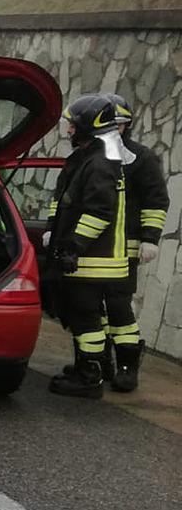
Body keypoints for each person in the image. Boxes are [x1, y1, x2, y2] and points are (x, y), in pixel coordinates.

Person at [44, 93, 130, 399]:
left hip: (92, 261)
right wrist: (53, 232)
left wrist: (74, 246)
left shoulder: (99, 163)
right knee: (81, 316)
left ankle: (89, 376)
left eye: (72, 125)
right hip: (83, 258)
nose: (68, 130)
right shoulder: (88, 158)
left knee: (85, 318)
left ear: (88, 127)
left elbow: (99, 211)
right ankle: (87, 366)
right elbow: (64, 201)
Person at [102, 93, 170, 392]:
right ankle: (98, 363)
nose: (111, 129)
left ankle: (127, 364)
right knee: (90, 306)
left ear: (125, 126)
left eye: (117, 124)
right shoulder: (91, 155)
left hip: (125, 247)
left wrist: (150, 239)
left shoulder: (141, 158)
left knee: (118, 305)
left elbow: (156, 201)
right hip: (92, 246)